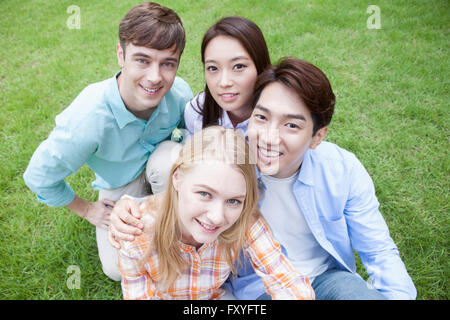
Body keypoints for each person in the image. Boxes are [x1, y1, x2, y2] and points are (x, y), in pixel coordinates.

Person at [22, 2, 193, 281]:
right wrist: (86, 209)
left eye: (167, 63)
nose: (155, 77)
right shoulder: (87, 119)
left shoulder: (180, 93)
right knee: (117, 270)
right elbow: (39, 176)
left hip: (161, 166)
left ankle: (177, 223)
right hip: (119, 185)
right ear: (120, 54)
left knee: (171, 160)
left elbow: (197, 137)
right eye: (142, 60)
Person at [229, 57, 417, 300]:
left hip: (328, 279)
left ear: (317, 137)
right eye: (262, 118)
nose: (269, 138)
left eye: (292, 126)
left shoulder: (342, 170)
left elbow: (378, 251)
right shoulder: (228, 168)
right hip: (264, 286)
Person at [108, 16, 271, 249]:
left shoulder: (274, 119)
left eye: (239, 67)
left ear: (260, 66)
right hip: (206, 201)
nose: (224, 82)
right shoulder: (198, 111)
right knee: (167, 159)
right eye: (213, 68)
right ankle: (175, 231)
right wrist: (131, 206)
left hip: (246, 208)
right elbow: (192, 178)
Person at [116, 126, 315, 300]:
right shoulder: (136, 231)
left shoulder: (244, 219)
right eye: (204, 193)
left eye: (233, 201)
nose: (217, 216)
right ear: (177, 178)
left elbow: (285, 280)